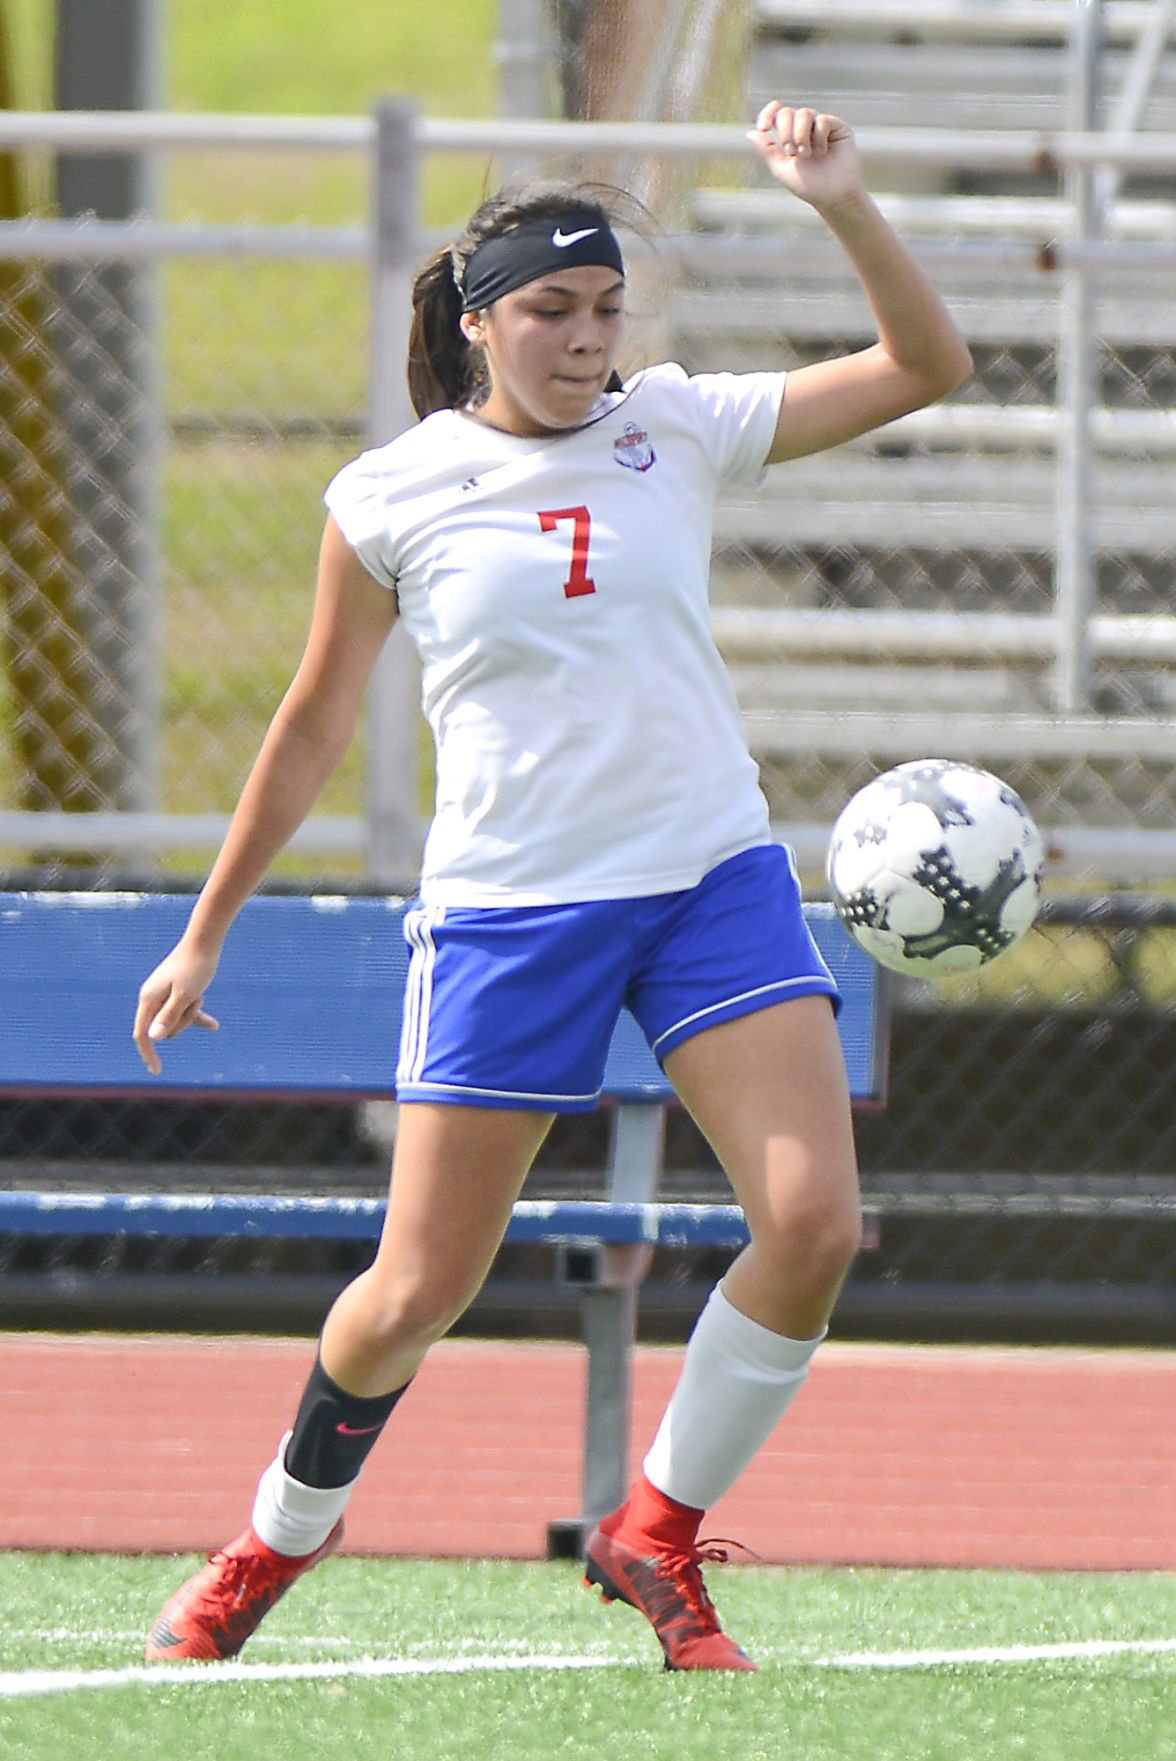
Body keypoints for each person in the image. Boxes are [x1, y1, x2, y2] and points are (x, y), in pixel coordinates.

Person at [134, 102, 971, 1673]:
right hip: (514, 916)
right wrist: (207, 926)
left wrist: (845, 206)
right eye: (550, 312)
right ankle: (269, 1542)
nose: (587, 341)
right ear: (477, 323)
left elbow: (927, 370)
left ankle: (652, 1529)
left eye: (605, 311)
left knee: (810, 1218)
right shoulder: (394, 496)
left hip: (709, 880)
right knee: (411, 1294)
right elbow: (311, 721)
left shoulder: (679, 422)